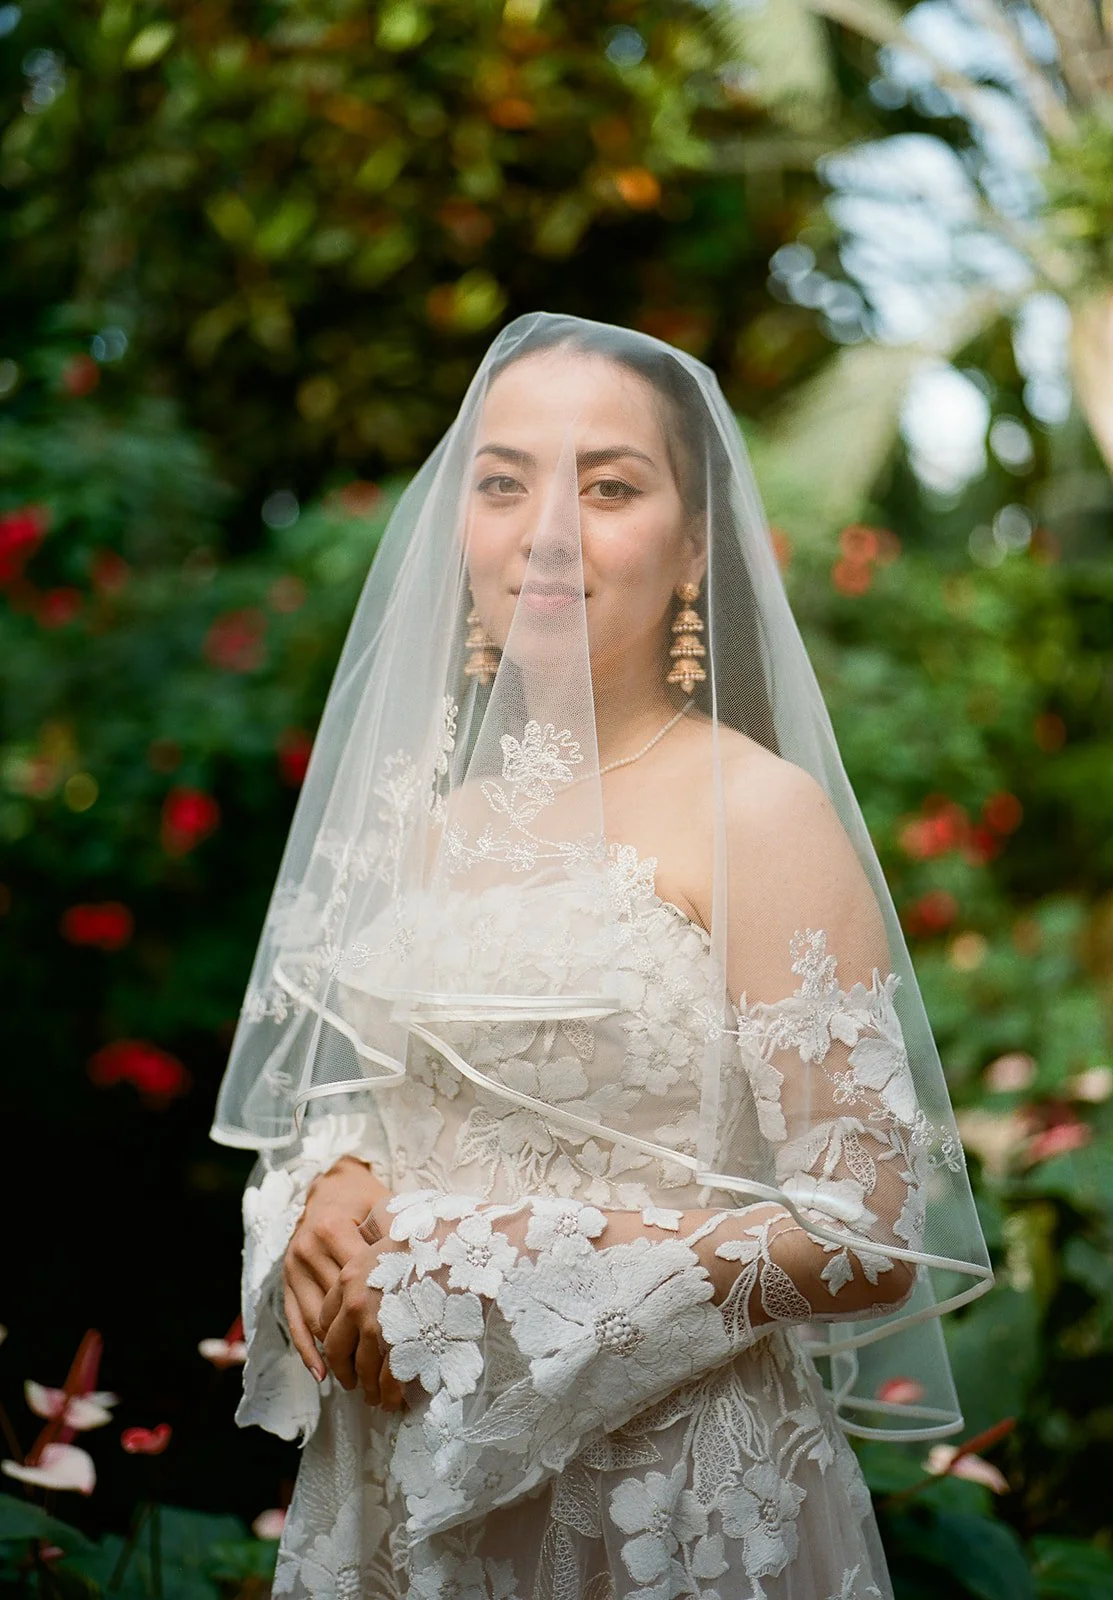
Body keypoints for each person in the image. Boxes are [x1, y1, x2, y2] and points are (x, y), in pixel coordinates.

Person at [211, 313, 992, 1599]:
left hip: (664, 1506)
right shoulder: (428, 825)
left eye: (611, 486)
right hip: (399, 1486)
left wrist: (499, 1256)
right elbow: (378, 1100)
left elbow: (872, 1232)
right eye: (504, 481)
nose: (549, 529)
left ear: (694, 544)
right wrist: (331, 1191)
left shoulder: (757, 815)